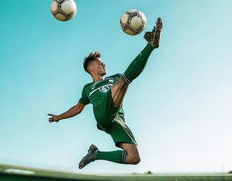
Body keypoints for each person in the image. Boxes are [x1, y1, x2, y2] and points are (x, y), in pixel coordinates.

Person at [48, 17, 163, 169]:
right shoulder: (88, 88)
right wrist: (59, 117)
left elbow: (122, 82)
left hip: (117, 119)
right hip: (103, 114)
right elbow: (77, 108)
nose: (103, 63)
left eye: (102, 61)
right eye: (99, 62)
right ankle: (150, 45)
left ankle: (95, 154)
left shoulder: (113, 78)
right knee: (123, 81)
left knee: (134, 157)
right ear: (91, 68)